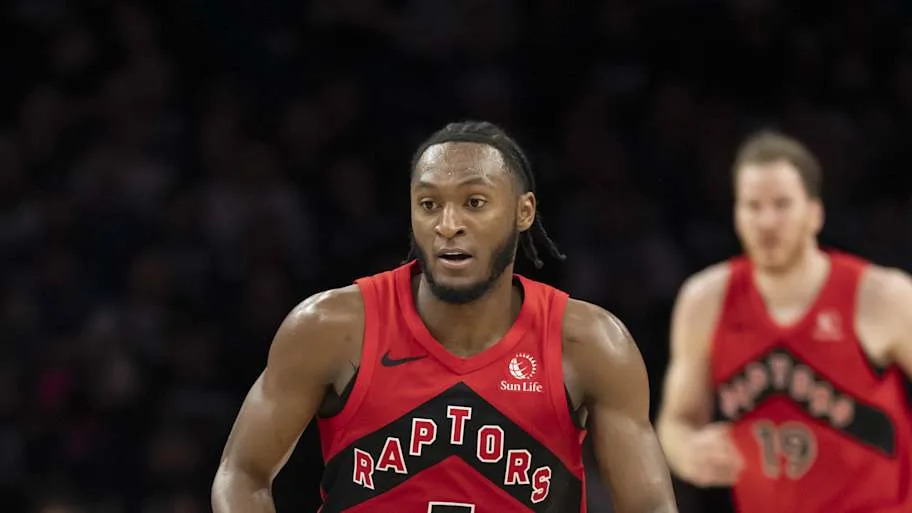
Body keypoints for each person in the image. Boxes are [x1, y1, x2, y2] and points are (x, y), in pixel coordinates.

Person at [211, 121, 678, 513]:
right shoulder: (332, 327)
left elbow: (650, 506)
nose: (447, 223)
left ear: (524, 212)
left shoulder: (589, 342)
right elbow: (242, 473)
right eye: (429, 204)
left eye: (475, 202)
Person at [656, 130, 912, 513]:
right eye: (752, 206)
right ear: (736, 214)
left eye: (781, 205)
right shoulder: (705, 300)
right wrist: (687, 452)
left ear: (815, 212)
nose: (767, 221)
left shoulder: (881, 297)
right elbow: (675, 422)